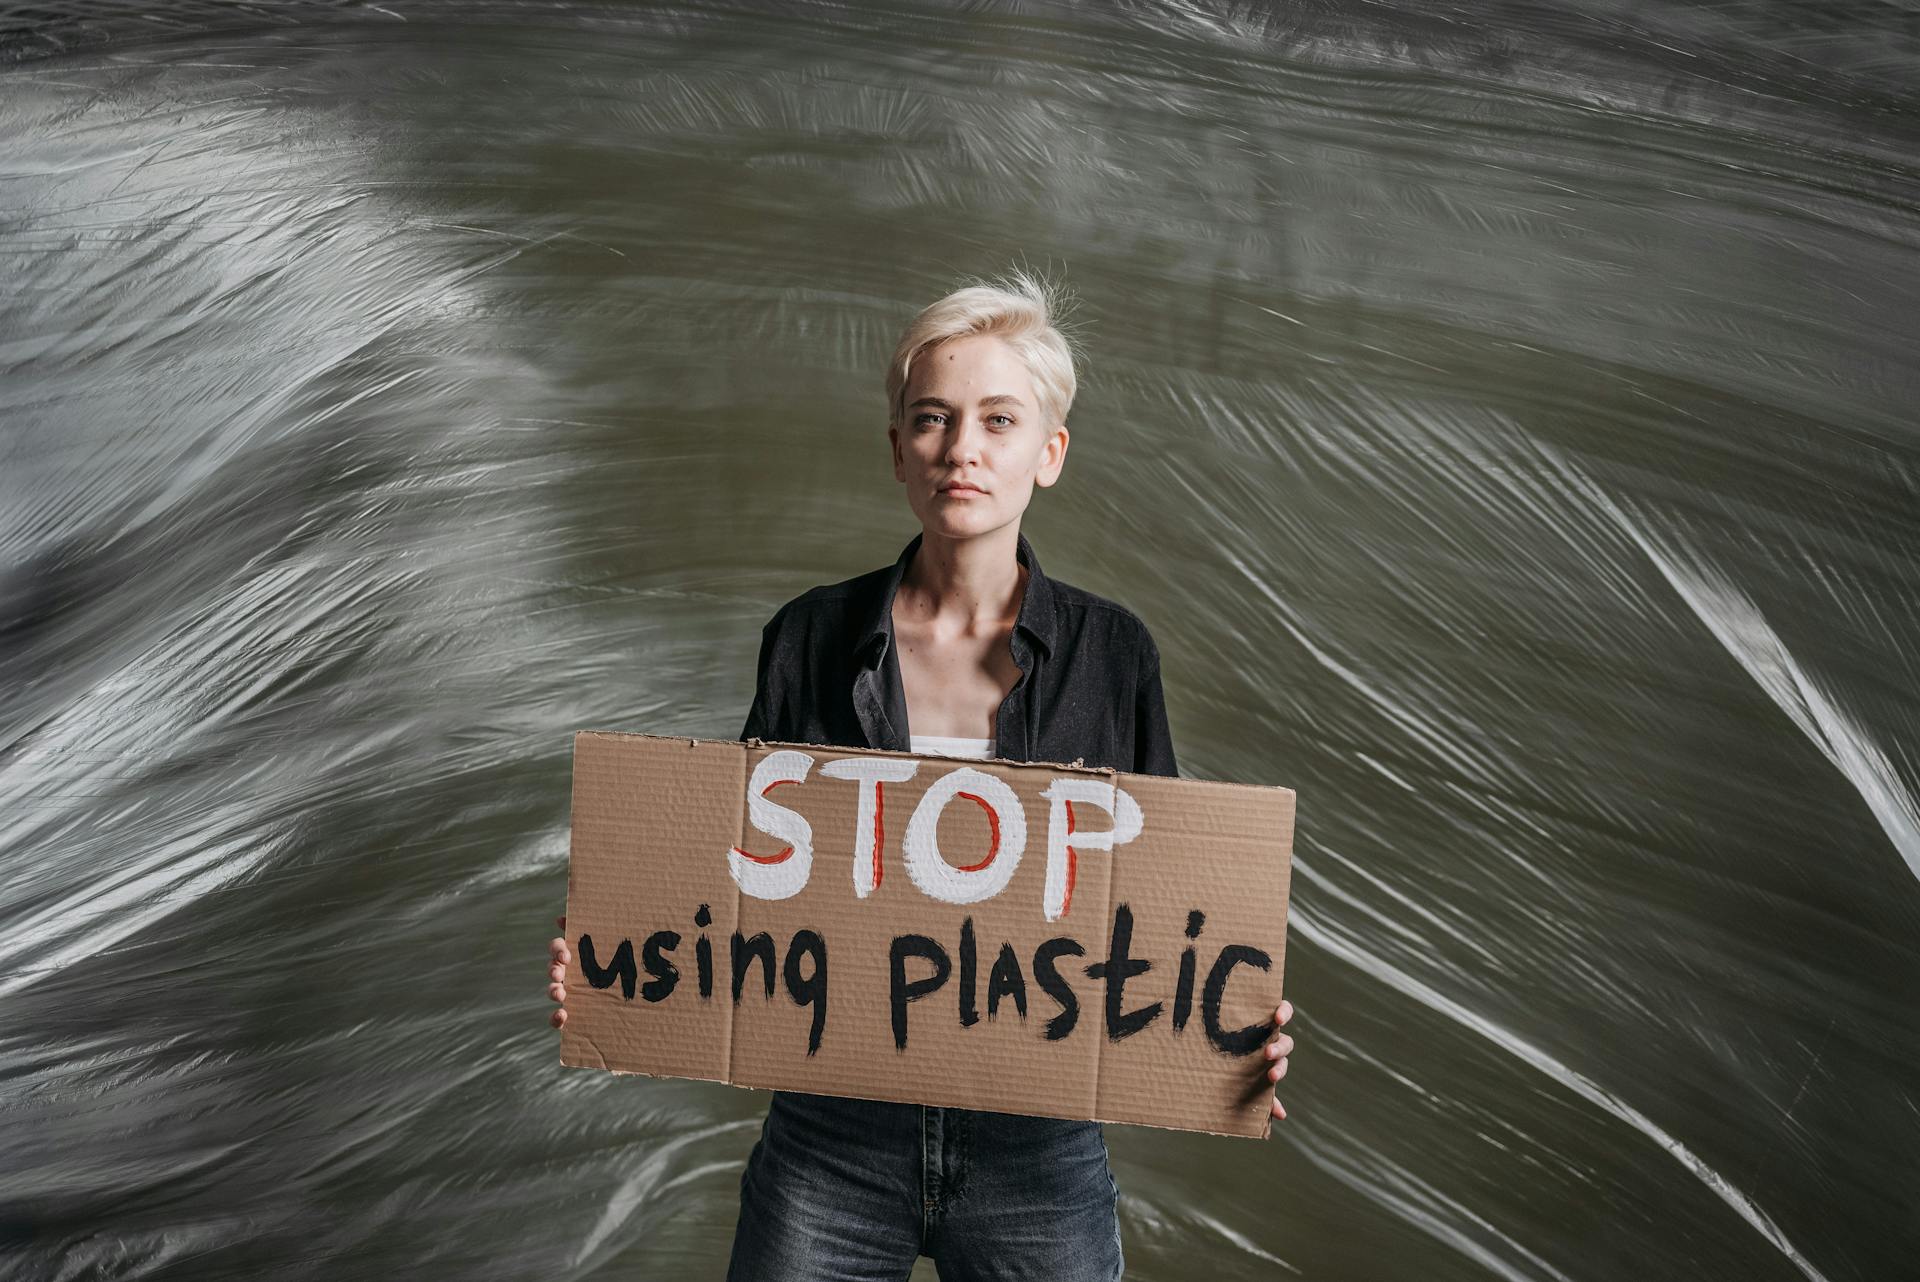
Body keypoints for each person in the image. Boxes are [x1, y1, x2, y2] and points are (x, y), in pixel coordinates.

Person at [546, 271, 1295, 1280]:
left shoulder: (1115, 655)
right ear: (899, 448)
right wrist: (620, 970)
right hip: (833, 1137)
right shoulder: (809, 637)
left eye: (999, 419)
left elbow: (1163, 907)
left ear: (1049, 452)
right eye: (934, 420)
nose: (963, 448)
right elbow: (739, 881)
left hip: (1037, 1146)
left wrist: (1221, 1026)